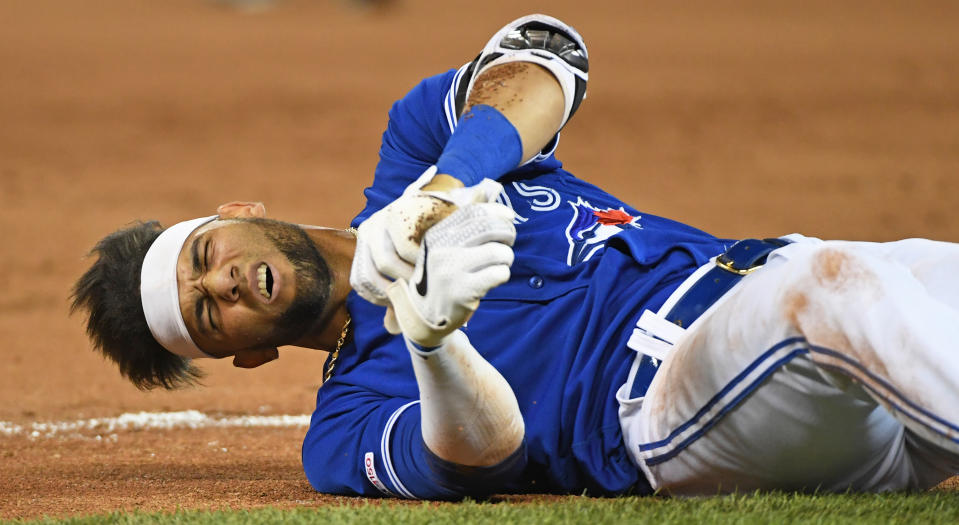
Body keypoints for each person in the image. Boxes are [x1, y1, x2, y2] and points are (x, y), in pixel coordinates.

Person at [72, 14, 959, 499]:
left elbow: (547, 57)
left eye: (203, 256)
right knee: (834, 286)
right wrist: (433, 343)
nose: (219, 281)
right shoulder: (343, 428)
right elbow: (483, 461)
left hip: (796, 305)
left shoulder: (414, 150)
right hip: (678, 399)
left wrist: (440, 191)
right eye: (205, 313)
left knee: (902, 272)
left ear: (237, 212)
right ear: (247, 352)